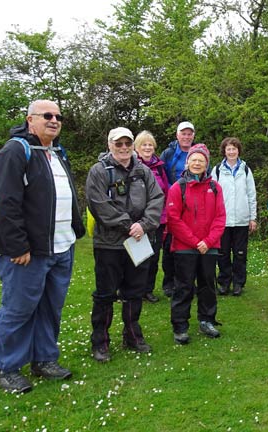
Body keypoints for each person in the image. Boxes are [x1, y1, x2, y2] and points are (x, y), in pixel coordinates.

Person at [0, 100, 85, 393]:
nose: (54, 120)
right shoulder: (16, 150)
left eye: (58, 116)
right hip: (29, 251)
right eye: (47, 115)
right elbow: (5, 201)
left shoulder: (56, 152)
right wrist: (17, 246)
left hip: (61, 247)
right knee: (19, 308)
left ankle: (44, 359)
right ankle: (7, 367)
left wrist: (75, 231)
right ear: (30, 119)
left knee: (51, 308)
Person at [86, 127, 164, 362]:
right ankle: (100, 342)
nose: (123, 148)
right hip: (109, 244)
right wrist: (128, 224)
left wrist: (144, 225)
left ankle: (132, 335)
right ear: (109, 145)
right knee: (105, 294)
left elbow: (157, 199)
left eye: (127, 143)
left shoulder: (143, 172)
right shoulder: (99, 171)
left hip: (139, 241)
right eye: (118, 144)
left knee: (134, 291)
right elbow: (98, 204)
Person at [166, 144, 226, 344]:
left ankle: (207, 319)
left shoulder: (215, 188)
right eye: (194, 159)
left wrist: (207, 242)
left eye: (201, 160)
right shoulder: (178, 187)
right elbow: (174, 220)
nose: (197, 163)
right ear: (187, 162)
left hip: (209, 247)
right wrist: (194, 241)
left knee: (208, 285)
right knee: (184, 287)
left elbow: (220, 218)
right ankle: (180, 325)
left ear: (207, 163)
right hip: (185, 247)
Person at [211, 137, 257, 296]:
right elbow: (211, 195)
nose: (231, 152)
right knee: (222, 253)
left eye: (234, 149)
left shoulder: (245, 170)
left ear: (238, 150)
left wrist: (253, 217)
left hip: (242, 221)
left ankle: (238, 283)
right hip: (222, 221)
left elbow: (251, 194)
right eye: (228, 149)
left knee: (240, 253)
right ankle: (224, 282)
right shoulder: (217, 170)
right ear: (224, 151)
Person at [159, 121, 196, 297]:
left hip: (192, 205)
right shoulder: (168, 153)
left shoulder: (198, 152)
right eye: (184, 133)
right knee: (169, 244)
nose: (186, 137)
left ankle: (187, 281)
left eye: (190, 134)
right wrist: (174, 191)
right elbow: (160, 174)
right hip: (171, 203)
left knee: (189, 242)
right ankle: (168, 282)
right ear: (177, 135)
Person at [134, 130, 169, 303]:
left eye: (150, 145)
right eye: (144, 145)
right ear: (137, 148)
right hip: (138, 220)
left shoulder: (160, 166)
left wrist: (166, 215)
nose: (147, 148)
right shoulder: (132, 165)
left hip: (158, 219)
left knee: (154, 256)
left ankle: (148, 290)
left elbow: (166, 191)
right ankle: (134, 290)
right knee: (137, 256)